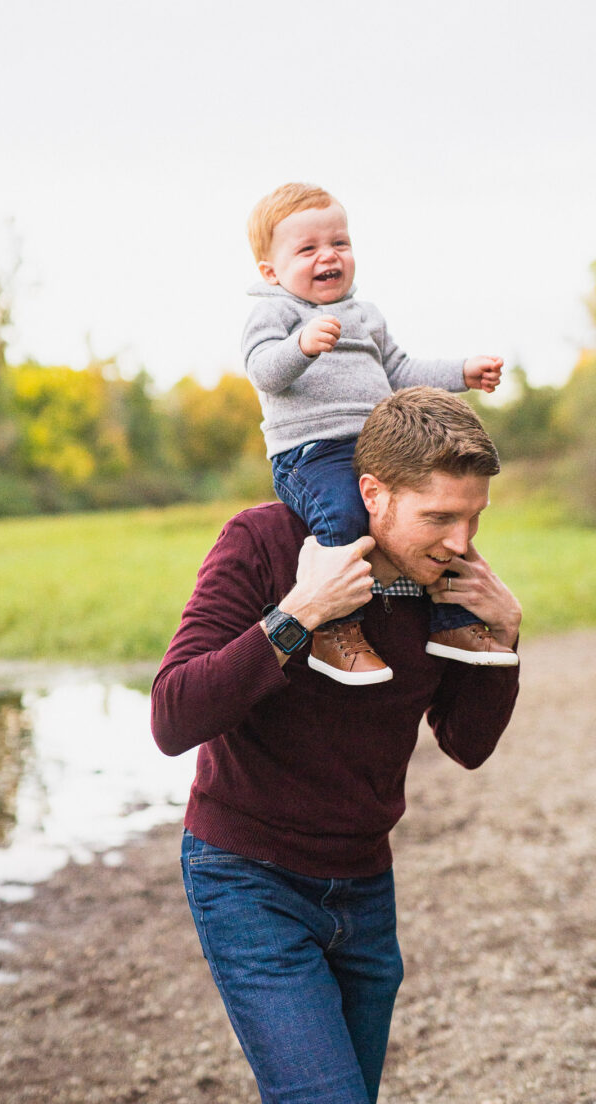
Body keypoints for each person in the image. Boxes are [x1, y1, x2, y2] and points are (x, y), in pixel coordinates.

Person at [151, 387, 522, 1104]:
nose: (461, 542)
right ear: (373, 494)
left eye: (474, 516)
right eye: (439, 517)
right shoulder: (262, 542)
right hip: (248, 880)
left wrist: (504, 639)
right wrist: (301, 614)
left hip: (366, 888)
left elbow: (467, 743)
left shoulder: (443, 583)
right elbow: (172, 717)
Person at [242, 181, 517, 685]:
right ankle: (334, 630)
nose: (329, 256)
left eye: (339, 243)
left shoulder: (365, 314)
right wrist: (300, 346)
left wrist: (462, 372)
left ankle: (454, 624)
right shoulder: (275, 312)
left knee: (441, 529)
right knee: (345, 516)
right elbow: (262, 370)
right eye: (308, 249)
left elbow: (402, 372)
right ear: (271, 271)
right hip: (311, 454)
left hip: (378, 449)